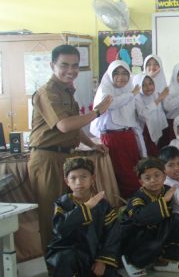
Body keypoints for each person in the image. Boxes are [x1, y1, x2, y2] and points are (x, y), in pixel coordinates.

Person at [29, 44, 111, 251]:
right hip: (47, 159)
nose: (71, 70)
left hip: (65, 159)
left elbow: (74, 126)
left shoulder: (67, 91)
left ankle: (73, 262)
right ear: (52, 65)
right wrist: (98, 112)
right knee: (52, 215)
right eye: (64, 65)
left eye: (75, 65)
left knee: (71, 212)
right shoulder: (47, 93)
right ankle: (55, 266)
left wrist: (93, 144)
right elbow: (64, 126)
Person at [46, 158, 120, 277]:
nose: (78, 182)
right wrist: (87, 207)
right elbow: (60, 229)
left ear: (93, 178)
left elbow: (113, 235)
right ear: (67, 181)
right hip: (68, 252)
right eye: (73, 178)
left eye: (84, 176)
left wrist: (102, 260)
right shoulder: (62, 203)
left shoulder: (103, 205)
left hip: (96, 254)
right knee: (62, 259)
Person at [120, 158, 179, 275]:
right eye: (147, 178)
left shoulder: (165, 190)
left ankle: (163, 260)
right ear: (141, 181)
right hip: (136, 235)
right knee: (155, 244)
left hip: (154, 229)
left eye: (157, 175)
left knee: (178, 220)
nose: (153, 180)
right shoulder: (136, 199)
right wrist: (164, 200)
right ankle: (132, 261)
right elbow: (139, 219)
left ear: (164, 176)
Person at [90, 60, 141, 198]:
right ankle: (129, 205)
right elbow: (110, 103)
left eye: (125, 73)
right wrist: (131, 94)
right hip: (112, 138)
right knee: (123, 174)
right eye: (116, 73)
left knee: (135, 170)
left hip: (128, 135)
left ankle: (138, 204)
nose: (121, 77)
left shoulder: (130, 88)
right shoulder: (105, 89)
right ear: (110, 75)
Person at [133, 73, 169, 158]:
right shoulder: (137, 98)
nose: (148, 87)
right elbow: (142, 114)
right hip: (145, 133)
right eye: (143, 85)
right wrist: (158, 100)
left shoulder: (155, 94)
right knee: (151, 157)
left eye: (150, 83)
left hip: (159, 129)